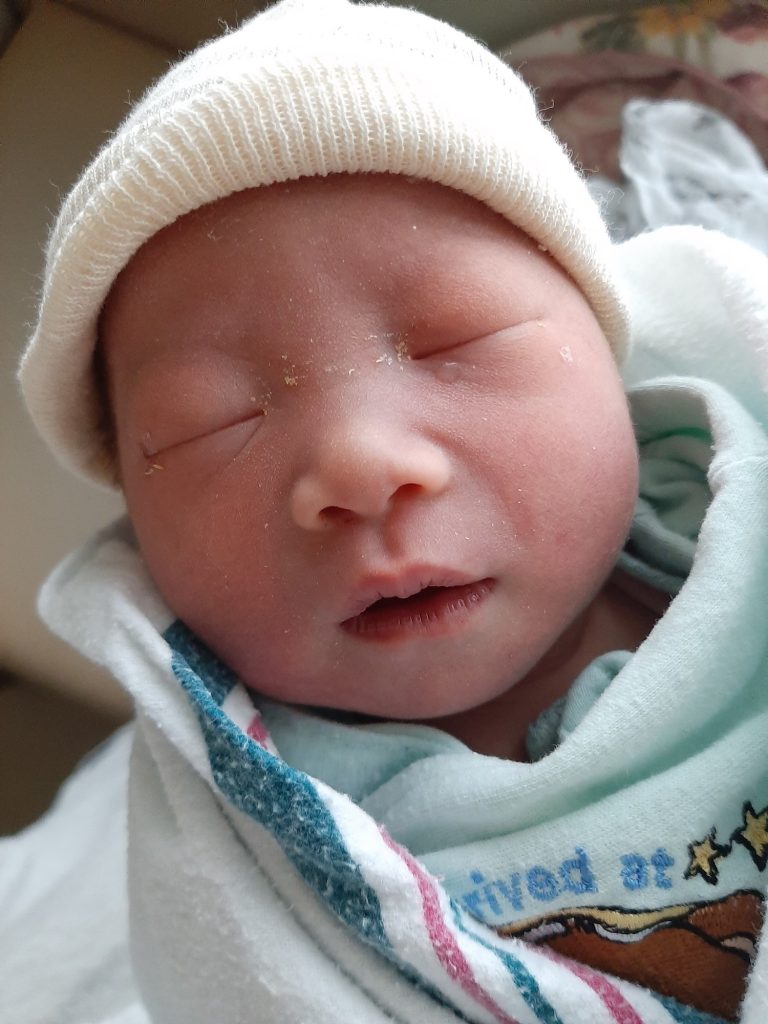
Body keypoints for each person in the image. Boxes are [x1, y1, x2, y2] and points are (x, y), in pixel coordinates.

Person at [10, 1, 768, 1022]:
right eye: (211, 422)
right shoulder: (253, 825)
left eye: (456, 337)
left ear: (605, 350)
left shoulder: (735, 529)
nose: (359, 465)